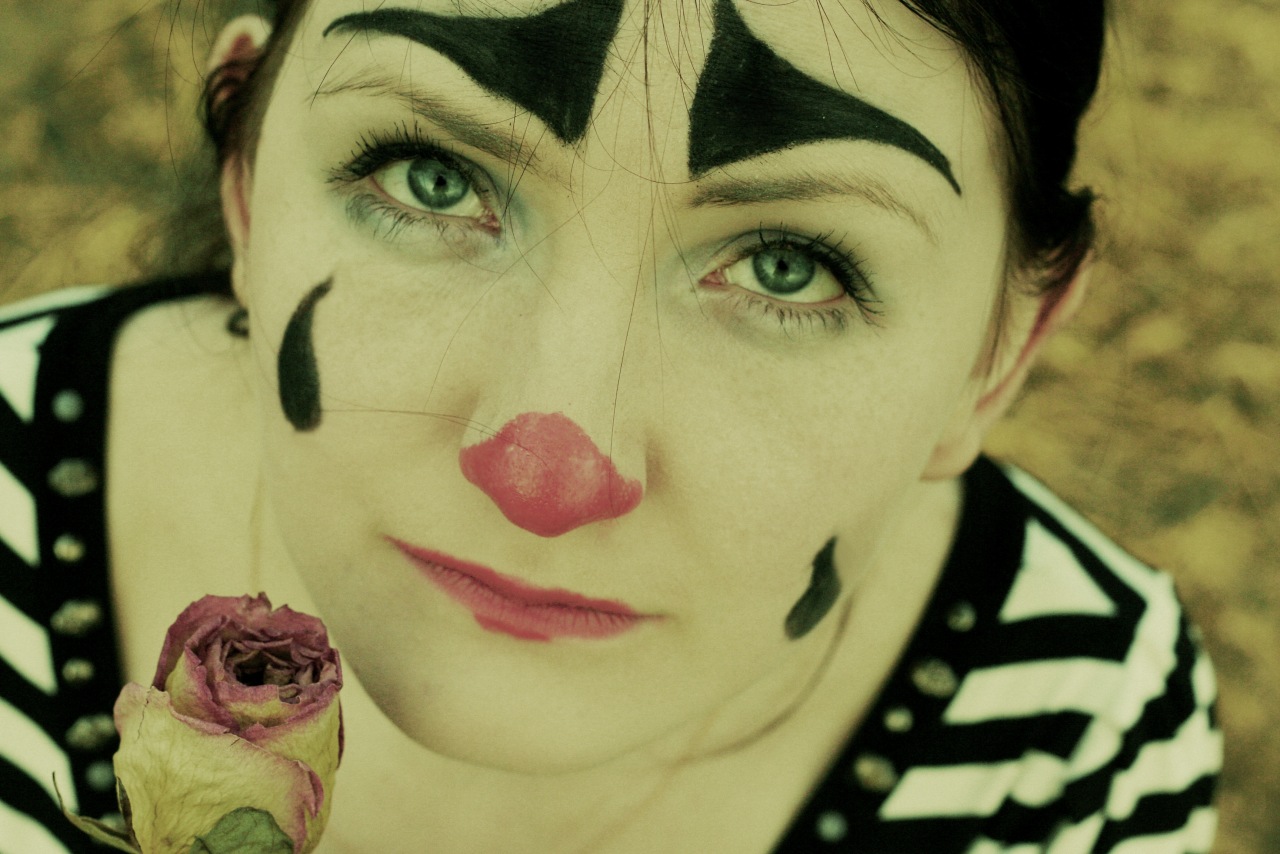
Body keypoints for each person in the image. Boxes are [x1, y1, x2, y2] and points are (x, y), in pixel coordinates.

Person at [0, 0, 1223, 851]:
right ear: (246, 170)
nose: (546, 472)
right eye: (433, 176)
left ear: (995, 355)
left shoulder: (1072, 727)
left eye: (789, 264)